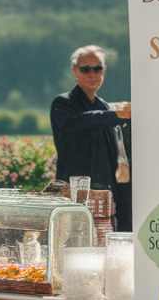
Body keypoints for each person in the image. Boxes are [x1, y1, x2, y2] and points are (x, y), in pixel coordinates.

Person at [50, 45, 132, 231]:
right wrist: (115, 114)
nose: (92, 74)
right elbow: (78, 122)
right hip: (75, 196)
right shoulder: (63, 103)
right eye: (85, 69)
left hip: (106, 198)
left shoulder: (106, 107)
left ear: (104, 71)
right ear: (75, 72)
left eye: (98, 68)